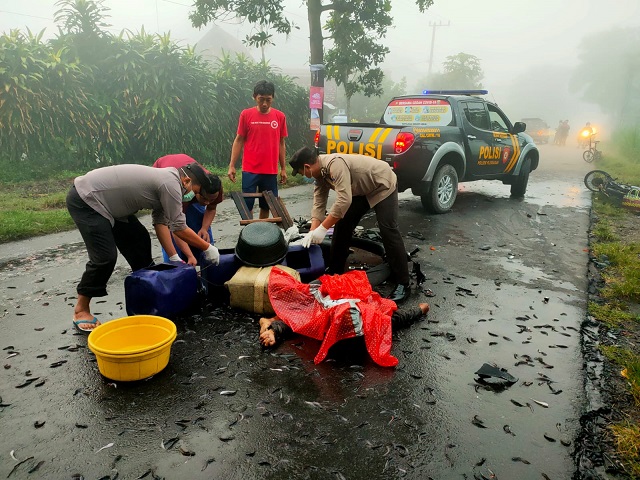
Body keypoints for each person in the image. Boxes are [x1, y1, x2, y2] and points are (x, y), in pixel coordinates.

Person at [66, 164, 221, 332]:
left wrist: (174, 257)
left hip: (113, 208)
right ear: (187, 180)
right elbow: (179, 227)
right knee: (105, 257)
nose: (193, 197)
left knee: (139, 241)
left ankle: (147, 298)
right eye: (197, 193)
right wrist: (207, 247)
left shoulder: (170, 183)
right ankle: (81, 310)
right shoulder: (170, 184)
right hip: (87, 200)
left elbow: (161, 221)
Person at [288, 146, 411, 303]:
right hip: (361, 190)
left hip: (382, 184)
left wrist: (323, 228)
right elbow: (319, 204)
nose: (303, 176)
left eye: (300, 173)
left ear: (307, 167)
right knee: (343, 223)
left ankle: (403, 283)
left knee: (388, 229)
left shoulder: (335, 165)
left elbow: (344, 201)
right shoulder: (320, 175)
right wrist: (313, 232)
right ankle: (335, 272)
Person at [257, 267, 429, 367]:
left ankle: (270, 321)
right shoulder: (368, 318)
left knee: (304, 310)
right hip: (338, 289)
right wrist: (419, 310)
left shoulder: (333, 323)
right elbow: (401, 318)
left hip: (335, 303)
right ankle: (271, 319)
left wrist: (274, 331)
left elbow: (301, 324)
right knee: (302, 298)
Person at [228, 80, 288, 219]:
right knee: (246, 206)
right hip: (250, 170)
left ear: (273, 97)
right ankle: (249, 236)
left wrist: (283, 168)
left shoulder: (280, 117)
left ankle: (262, 237)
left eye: (268, 99)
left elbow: (281, 143)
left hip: (270, 170)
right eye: (261, 100)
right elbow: (239, 140)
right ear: (254, 97)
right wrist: (232, 165)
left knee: (267, 205)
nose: (265, 104)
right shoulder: (246, 115)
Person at [153, 154, 223, 266]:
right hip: (168, 178)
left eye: (211, 200)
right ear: (198, 190)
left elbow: (211, 208)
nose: (207, 203)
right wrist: (189, 256)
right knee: (172, 236)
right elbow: (177, 228)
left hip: (190, 184)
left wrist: (204, 228)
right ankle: (175, 265)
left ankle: (206, 264)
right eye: (204, 199)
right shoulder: (179, 190)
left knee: (202, 234)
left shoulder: (215, 186)